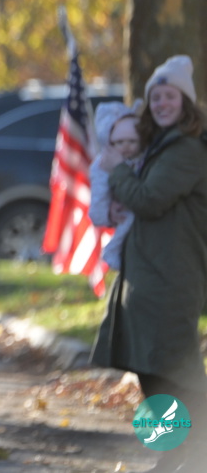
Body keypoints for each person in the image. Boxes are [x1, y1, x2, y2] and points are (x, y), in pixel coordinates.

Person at [90, 55, 207, 472]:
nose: (161, 103)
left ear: (185, 102)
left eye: (169, 96)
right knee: (149, 368)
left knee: (173, 370)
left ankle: (187, 451)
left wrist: (117, 172)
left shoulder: (186, 149)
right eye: (155, 97)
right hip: (146, 276)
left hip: (171, 278)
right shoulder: (160, 146)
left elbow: (150, 199)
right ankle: (176, 453)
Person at [88, 100, 143, 271]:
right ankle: (112, 252)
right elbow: (99, 195)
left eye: (132, 141)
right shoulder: (103, 164)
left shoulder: (144, 159)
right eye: (119, 142)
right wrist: (105, 212)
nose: (126, 146)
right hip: (123, 212)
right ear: (110, 142)